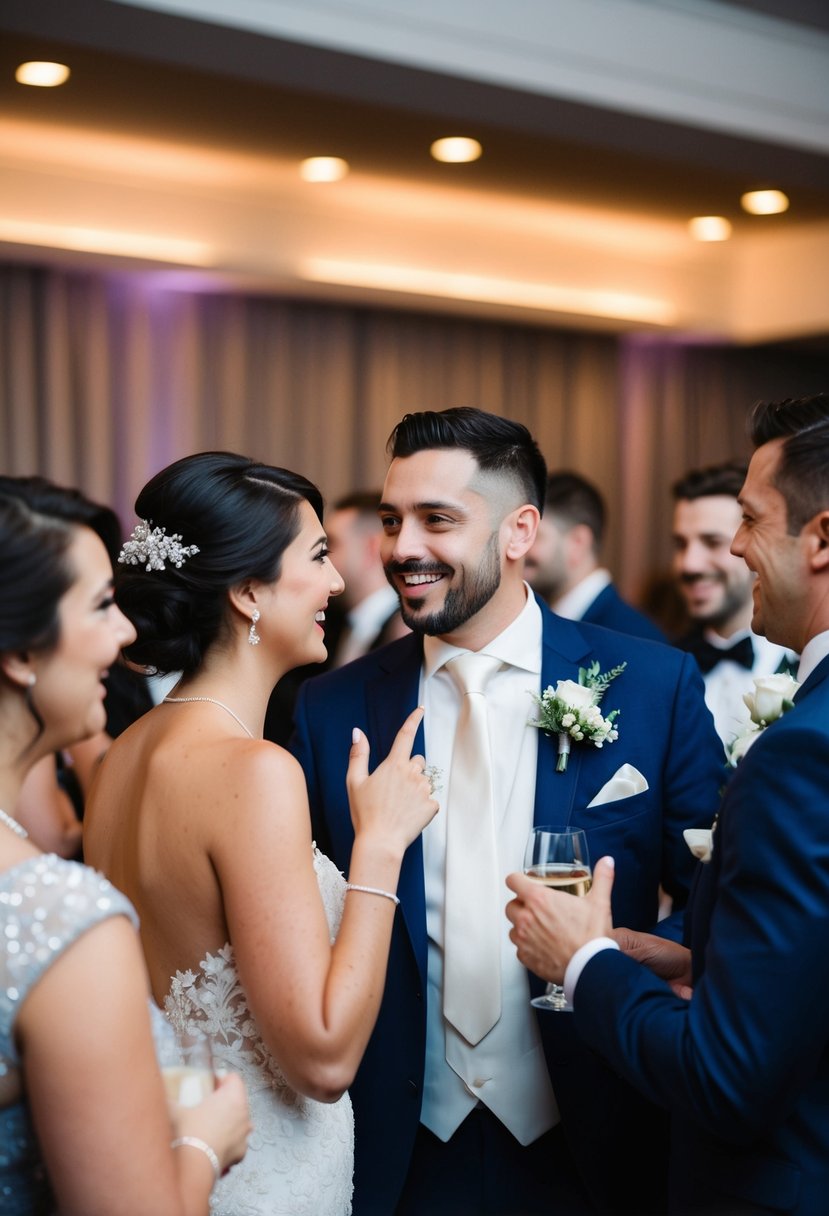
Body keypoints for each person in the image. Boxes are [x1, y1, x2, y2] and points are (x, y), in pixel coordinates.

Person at [290, 407, 725, 1216]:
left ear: (520, 530)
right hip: (398, 1142)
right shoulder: (331, 707)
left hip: (592, 1126)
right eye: (390, 521)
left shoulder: (652, 684)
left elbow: (717, 903)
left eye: (437, 520)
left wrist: (635, 950)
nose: (401, 549)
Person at [83, 451, 438, 1216]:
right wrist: (378, 848)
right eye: (317, 557)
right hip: (264, 1174)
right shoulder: (254, 771)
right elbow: (324, 1056)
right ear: (247, 592)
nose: (340, 582)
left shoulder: (122, 756)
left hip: (184, 1151)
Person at [506, 392, 829, 1216]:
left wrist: (585, 961)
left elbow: (727, 1079)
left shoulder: (802, 752)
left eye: (749, 520)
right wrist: (698, 958)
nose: (732, 548)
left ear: (820, 538)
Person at [0, 488, 250, 1216]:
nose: (123, 636)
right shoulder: (61, 915)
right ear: (20, 653)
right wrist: (205, 1143)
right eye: (103, 606)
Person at [671, 461, 797, 747]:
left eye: (712, 542)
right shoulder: (665, 665)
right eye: (681, 544)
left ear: (753, 544)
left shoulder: (805, 664)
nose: (689, 564)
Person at [525, 470, 666, 641]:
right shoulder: (544, 622)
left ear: (578, 543)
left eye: (535, 536)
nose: (521, 548)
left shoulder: (629, 636)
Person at [326, 490, 409, 667]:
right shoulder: (332, 625)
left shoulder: (406, 630)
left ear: (372, 548)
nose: (323, 558)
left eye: (332, 544)